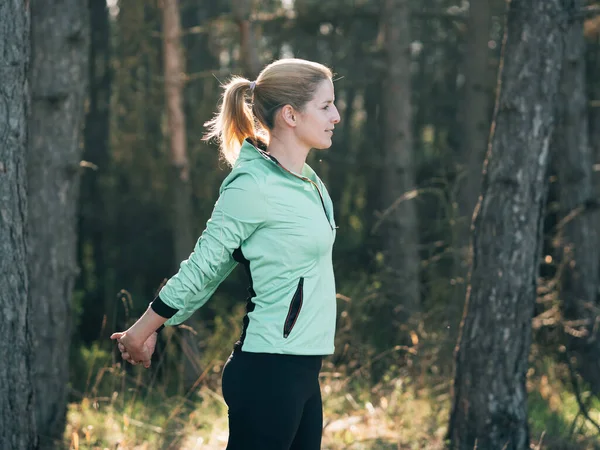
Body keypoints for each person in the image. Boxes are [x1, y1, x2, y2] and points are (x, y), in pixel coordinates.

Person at [111, 58, 341, 449]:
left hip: (303, 370)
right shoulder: (251, 187)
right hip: (268, 372)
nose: (336, 115)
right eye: (325, 105)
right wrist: (143, 331)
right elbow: (204, 268)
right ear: (290, 114)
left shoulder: (308, 181)